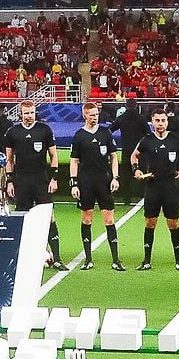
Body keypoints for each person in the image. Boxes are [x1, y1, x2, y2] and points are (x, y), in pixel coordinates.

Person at [132, 108, 179, 272]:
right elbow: (134, 155)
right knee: (150, 222)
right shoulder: (147, 140)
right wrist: (136, 169)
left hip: (170, 186)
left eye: (163, 120)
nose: (160, 124)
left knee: (173, 224)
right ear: (152, 122)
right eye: (157, 121)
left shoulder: (176, 139)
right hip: (152, 186)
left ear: (167, 121)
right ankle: (146, 261)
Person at [2, 101, 59, 267]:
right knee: (23, 218)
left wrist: (54, 178)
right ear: (21, 113)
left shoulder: (44, 130)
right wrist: (10, 181)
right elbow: (9, 159)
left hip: (41, 180)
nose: (29, 116)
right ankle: (23, 256)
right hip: (22, 181)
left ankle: (56, 258)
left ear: (35, 112)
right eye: (26, 113)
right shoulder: (13, 132)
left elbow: (53, 155)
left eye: (32, 113)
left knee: (49, 216)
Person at [68, 102, 121, 270]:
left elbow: (113, 157)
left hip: (104, 182)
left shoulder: (106, 133)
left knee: (109, 219)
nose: (94, 117)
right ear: (85, 115)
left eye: (96, 114)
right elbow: (74, 161)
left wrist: (115, 178)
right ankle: (88, 259)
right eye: (91, 115)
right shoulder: (79, 136)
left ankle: (116, 259)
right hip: (85, 183)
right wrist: (74, 183)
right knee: (87, 219)